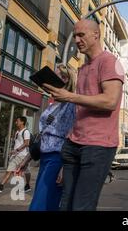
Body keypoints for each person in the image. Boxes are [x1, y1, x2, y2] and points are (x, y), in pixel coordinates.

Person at [43, 19, 124, 211]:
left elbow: (110, 101)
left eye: (81, 35)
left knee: (82, 206)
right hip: (74, 143)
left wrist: (70, 96)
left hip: (98, 146)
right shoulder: (83, 67)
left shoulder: (110, 61)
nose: (77, 40)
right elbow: (80, 107)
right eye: (75, 35)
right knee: (66, 205)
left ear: (96, 35)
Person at [18, 64, 77, 211]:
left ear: (67, 80)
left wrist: (65, 166)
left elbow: (72, 136)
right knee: (47, 203)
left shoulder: (71, 104)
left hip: (57, 159)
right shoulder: (53, 104)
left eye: (60, 76)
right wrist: (26, 159)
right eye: (55, 75)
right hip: (44, 159)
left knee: (41, 204)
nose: (54, 79)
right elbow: (42, 135)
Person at [0, 117, 32, 194]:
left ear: (22, 122)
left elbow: (26, 143)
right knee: (9, 170)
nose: (16, 122)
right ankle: (1, 186)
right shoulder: (17, 132)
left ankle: (27, 185)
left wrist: (16, 150)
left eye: (17, 121)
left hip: (22, 155)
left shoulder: (26, 132)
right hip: (16, 155)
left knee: (26, 171)